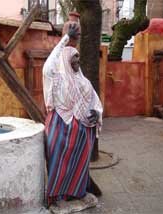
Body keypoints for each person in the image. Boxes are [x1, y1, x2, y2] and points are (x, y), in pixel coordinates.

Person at [43, 23, 103, 206]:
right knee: (60, 164)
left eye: (78, 59)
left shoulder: (81, 80)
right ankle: (58, 197)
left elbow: (94, 100)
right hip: (60, 129)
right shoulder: (57, 77)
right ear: (66, 61)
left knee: (79, 166)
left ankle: (77, 193)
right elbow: (47, 67)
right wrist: (66, 39)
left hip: (83, 133)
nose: (77, 62)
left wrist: (96, 113)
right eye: (74, 60)